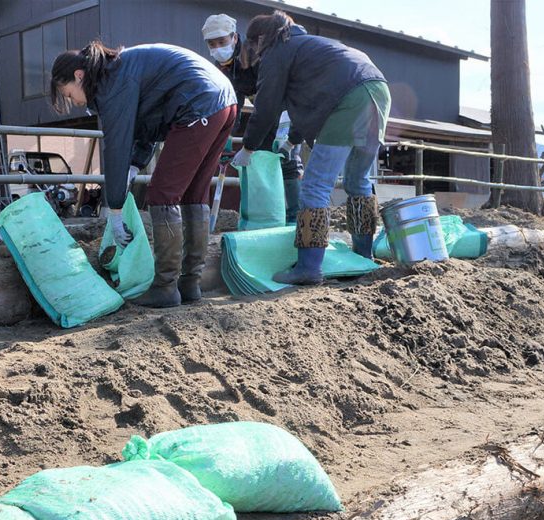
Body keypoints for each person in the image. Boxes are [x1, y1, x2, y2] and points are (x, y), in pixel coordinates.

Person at [50, 41, 236, 307]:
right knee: (194, 194)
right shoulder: (121, 70)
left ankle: (165, 287)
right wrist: (135, 165)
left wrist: (114, 209)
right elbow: (148, 123)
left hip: (199, 100)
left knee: (162, 194)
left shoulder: (110, 82)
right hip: (223, 99)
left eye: (69, 94)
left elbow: (116, 143)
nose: (75, 102)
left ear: (79, 76)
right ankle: (190, 283)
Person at [231, 11, 391, 285]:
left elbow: (267, 105)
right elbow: (312, 98)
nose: (254, 52)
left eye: (252, 46)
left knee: (314, 187)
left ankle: (308, 267)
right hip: (377, 91)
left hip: (349, 98)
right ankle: (364, 255)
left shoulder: (276, 50)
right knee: (357, 180)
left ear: (259, 39)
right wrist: (293, 140)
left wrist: (248, 146)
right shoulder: (308, 45)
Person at [201, 13, 302, 225]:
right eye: (212, 44)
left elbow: (271, 93)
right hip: (263, 110)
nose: (217, 47)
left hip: (283, 106)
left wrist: (252, 141)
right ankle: (266, 219)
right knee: (260, 160)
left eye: (222, 41)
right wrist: (224, 138)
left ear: (234, 37)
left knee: (287, 160)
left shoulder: (254, 53)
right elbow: (230, 106)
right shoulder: (223, 69)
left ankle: (296, 219)